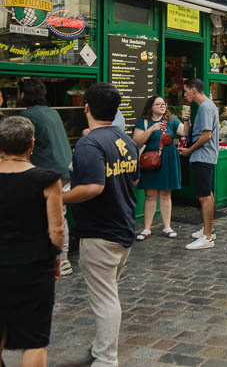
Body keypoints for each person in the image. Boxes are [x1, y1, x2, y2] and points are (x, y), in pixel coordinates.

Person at [63, 83, 140, 367]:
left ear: (86, 108)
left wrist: (60, 196)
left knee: (105, 298)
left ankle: (106, 359)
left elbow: (94, 186)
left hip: (100, 230)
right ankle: (100, 349)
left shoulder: (89, 143)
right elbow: (134, 179)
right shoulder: (125, 140)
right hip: (123, 226)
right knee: (109, 292)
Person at [0, 116, 64, 367]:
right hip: (33, 266)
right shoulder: (47, 179)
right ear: (32, 144)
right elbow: (56, 230)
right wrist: (56, 258)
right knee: (34, 339)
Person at [18, 78, 73, 277]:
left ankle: (55, 259)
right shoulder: (53, 112)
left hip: (46, 170)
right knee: (60, 213)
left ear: (22, 95)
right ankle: (63, 258)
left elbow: (21, 144)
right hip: (65, 169)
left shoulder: (27, 116)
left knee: (45, 215)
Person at [132, 96, 186, 241]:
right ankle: (147, 228)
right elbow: (136, 142)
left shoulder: (172, 120)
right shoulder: (144, 122)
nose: (162, 106)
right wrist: (150, 130)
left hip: (168, 159)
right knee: (150, 195)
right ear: (151, 107)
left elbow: (185, 132)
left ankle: (167, 226)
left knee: (166, 194)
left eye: (163, 104)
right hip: (150, 160)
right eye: (158, 104)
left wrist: (187, 121)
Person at [179, 78, 219, 250]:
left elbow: (206, 135)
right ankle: (208, 229)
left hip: (202, 156)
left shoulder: (205, 107)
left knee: (204, 196)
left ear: (194, 90)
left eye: (186, 90)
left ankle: (207, 237)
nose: (185, 94)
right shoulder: (207, 106)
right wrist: (187, 121)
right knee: (207, 193)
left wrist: (189, 151)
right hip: (205, 156)